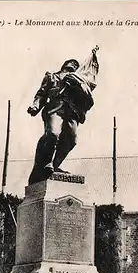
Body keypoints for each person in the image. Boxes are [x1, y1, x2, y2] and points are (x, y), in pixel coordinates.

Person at [27, 50, 99, 185]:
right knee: (53, 134)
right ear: (64, 65)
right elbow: (41, 94)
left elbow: (85, 97)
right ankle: (46, 163)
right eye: (71, 63)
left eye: (76, 65)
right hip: (55, 109)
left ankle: (54, 166)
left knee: (71, 140)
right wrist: (35, 106)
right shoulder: (52, 77)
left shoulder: (78, 79)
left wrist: (77, 86)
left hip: (71, 112)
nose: (74, 65)